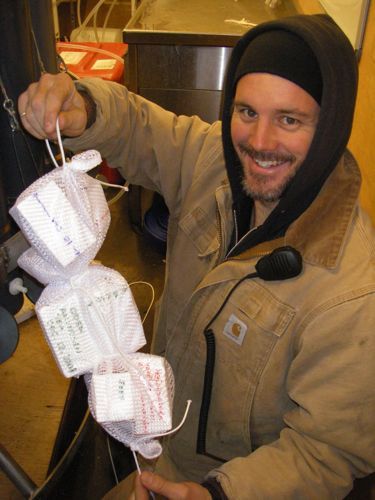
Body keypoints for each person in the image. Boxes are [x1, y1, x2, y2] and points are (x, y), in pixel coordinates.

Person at [18, 14, 374, 500]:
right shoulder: (214, 161)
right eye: (246, 112)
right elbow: (140, 127)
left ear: (330, 126)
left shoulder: (354, 293)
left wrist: (216, 494)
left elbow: (325, 454)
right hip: (152, 439)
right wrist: (82, 107)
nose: (260, 143)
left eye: (289, 120)